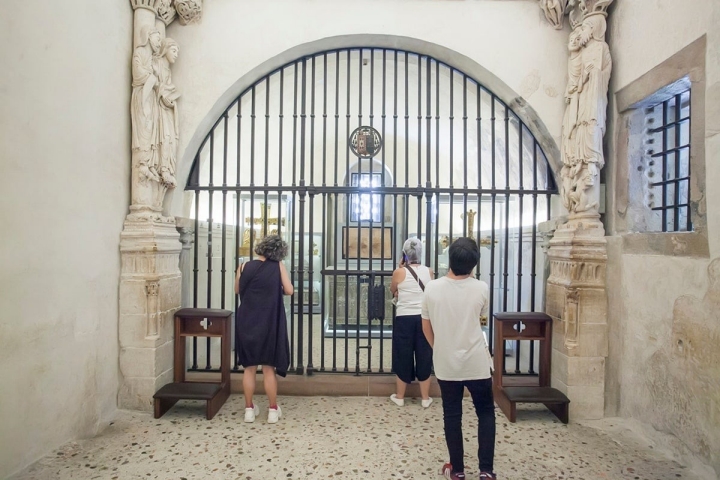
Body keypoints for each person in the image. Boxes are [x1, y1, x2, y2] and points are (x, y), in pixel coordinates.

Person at [421, 237, 496, 480]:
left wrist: (440, 347)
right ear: (474, 264)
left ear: (449, 259)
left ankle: (458, 470)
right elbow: (480, 317)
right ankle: (486, 471)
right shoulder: (481, 287)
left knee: (452, 415)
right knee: (485, 412)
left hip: (447, 364)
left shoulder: (432, 287)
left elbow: (426, 327)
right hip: (476, 361)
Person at [234, 235, 294, 424]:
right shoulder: (278, 267)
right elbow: (290, 290)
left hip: (247, 320)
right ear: (279, 252)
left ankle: (249, 410)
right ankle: (273, 410)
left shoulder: (243, 266)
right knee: (269, 368)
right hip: (269, 321)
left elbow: (237, 289)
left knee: (249, 368)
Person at [389, 238, 434, 408]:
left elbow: (393, 290)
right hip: (424, 318)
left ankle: (400, 396)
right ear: (420, 253)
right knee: (424, 354)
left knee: (403, 354)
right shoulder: (429, 272)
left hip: (404, 318)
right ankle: (424, 398)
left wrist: (401, 267)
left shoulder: (399, 272)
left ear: (405, 254)